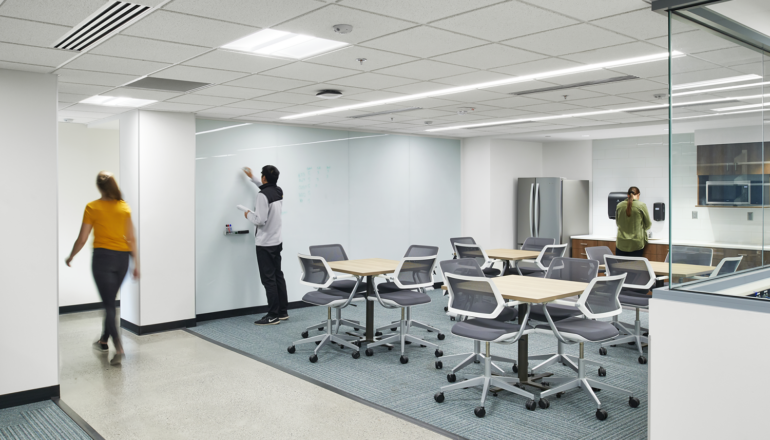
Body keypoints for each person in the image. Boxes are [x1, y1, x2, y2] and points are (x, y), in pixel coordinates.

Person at [65, 171, 139, 365]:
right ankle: (103, 340)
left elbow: (82, 239)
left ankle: (120, 348)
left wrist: (71, 255)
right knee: (110, 302)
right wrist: (136, 264)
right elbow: (131, 238)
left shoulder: (92, 207)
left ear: (99, 187)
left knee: (108, 305)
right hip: (123, 260)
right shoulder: (124, 207)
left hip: (103, 259)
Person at [243, 165, 287, 325]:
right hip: (276, 241)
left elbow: (260, 220)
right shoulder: (278, 191)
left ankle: (273, 315)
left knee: (268, 280)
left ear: (264, 178)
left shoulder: (262, 195)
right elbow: (266, 189)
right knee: (277, 276)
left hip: (265, 243)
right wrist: (252, 177)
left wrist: (248, 214)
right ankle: (282, 312)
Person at [615, 186, 652, 257]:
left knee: (619, 267)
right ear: (638, 195)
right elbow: (648, 224)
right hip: (636, 244)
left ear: (627, 195)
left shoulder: (619, 205)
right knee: (634, 267)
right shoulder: (641, 205)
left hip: (621, 243)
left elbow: (618, 223)